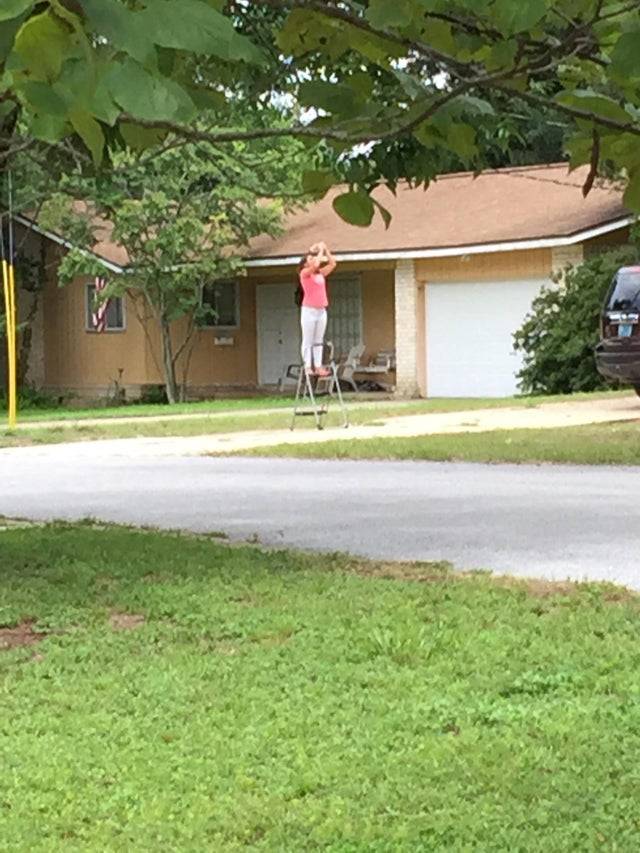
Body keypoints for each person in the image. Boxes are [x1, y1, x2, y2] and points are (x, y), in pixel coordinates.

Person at [298, 240, 337, 376]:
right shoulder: (305, 273)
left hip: (321, 310)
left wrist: (326, 249)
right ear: (305, 264)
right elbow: (315, 265)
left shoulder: (319, 273)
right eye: (310, 258)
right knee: (308, 339)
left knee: (318, 339)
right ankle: (308, 365)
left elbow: (332, 264)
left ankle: (318, 365)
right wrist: (319, 250)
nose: (313, 259)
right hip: (309, 310)